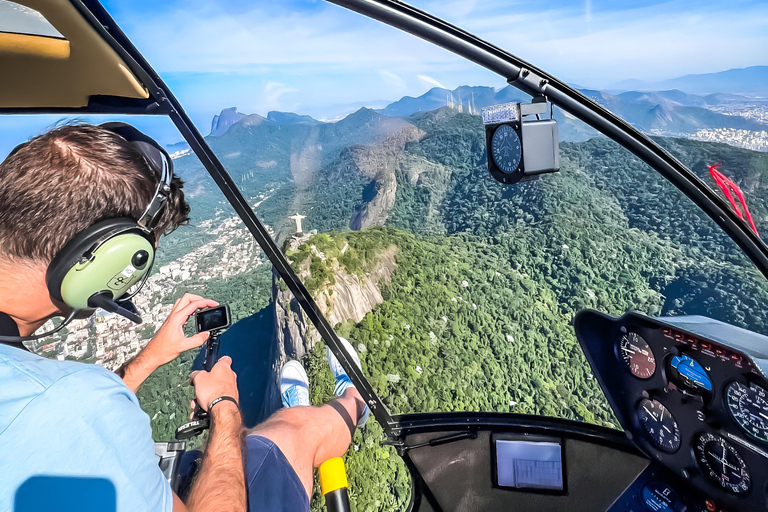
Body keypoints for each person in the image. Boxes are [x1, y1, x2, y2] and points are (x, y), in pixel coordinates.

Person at [0, 123, 368, 512]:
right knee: (295, 432)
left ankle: (298, 404)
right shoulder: (68, 403)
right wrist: (225, 406)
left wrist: (149, 359)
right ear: (104, 262)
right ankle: (354, 399)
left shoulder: (47, 395)